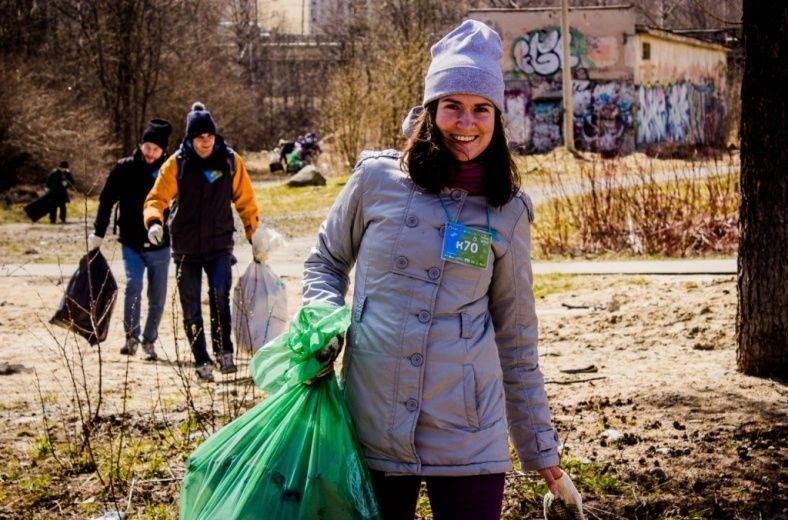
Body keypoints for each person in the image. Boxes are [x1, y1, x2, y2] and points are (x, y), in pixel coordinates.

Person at [302, 20, 562, 519]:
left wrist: (538, 446)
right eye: (453, 106)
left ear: (497, 117)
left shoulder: (507, 211)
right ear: (430, 111)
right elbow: (327, 261)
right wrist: (324, 321)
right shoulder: (376, 180)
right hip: (371, 420)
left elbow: (516, 335)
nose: (467, 122)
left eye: (481, 108)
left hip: (468, 429)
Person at [143, 102, 270, 382]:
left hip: (219, 244)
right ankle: (201, 360)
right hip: (185, 247)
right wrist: (153, 221)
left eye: (209, 136)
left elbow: (246, 201)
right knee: (190, 306)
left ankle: (225, 352)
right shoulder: (177, 164)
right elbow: (156, 199)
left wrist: (255, 233)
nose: (206, 141)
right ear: (190, 138)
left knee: (218, 297)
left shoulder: (229, 160)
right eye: (200, 137)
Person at [88, 119, 174, 361]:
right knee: (133, 284)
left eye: (156, 149)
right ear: (141, 144)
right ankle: (131, 337)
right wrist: (99, 232)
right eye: (147, 147)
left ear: (163, 151)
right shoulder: (124, 168)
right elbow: (106, 200)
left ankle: (149, 340)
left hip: (160, 243)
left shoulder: (168, 170)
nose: (150, 153)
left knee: (157, 295)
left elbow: (181, 203)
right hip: (131, 241)